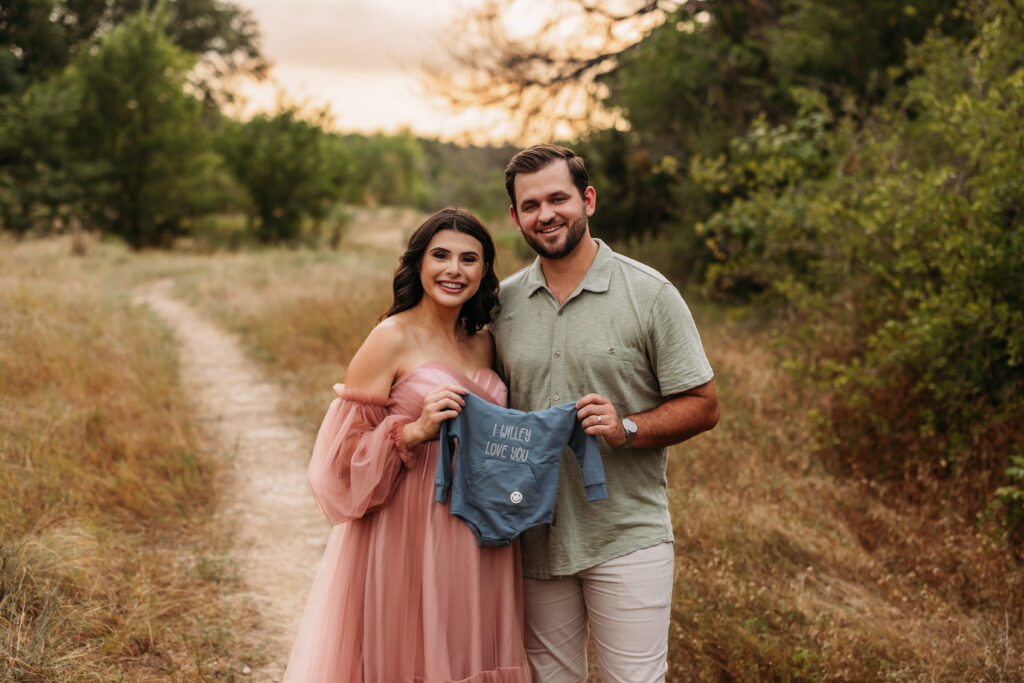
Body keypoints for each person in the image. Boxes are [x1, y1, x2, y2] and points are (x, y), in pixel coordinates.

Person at [492, 144, 720, 682]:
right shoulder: (501, 305)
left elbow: (705, 405)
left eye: (558, 198)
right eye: (531, 205)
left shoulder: (650, 294)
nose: (545, 214)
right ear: (516, 217)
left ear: (587, 200)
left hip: (626, 534)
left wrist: (629, 427)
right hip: (534, 539)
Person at [284, 208, 529, 682]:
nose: (453, 270)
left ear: (484, 272)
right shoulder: (389, 338)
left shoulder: (485, 344)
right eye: (440, 255)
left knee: (466, 649)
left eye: (468, 259)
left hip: (482, 529)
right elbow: (337, 463)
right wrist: (413, 431)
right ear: (419, 264)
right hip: (410, 527)